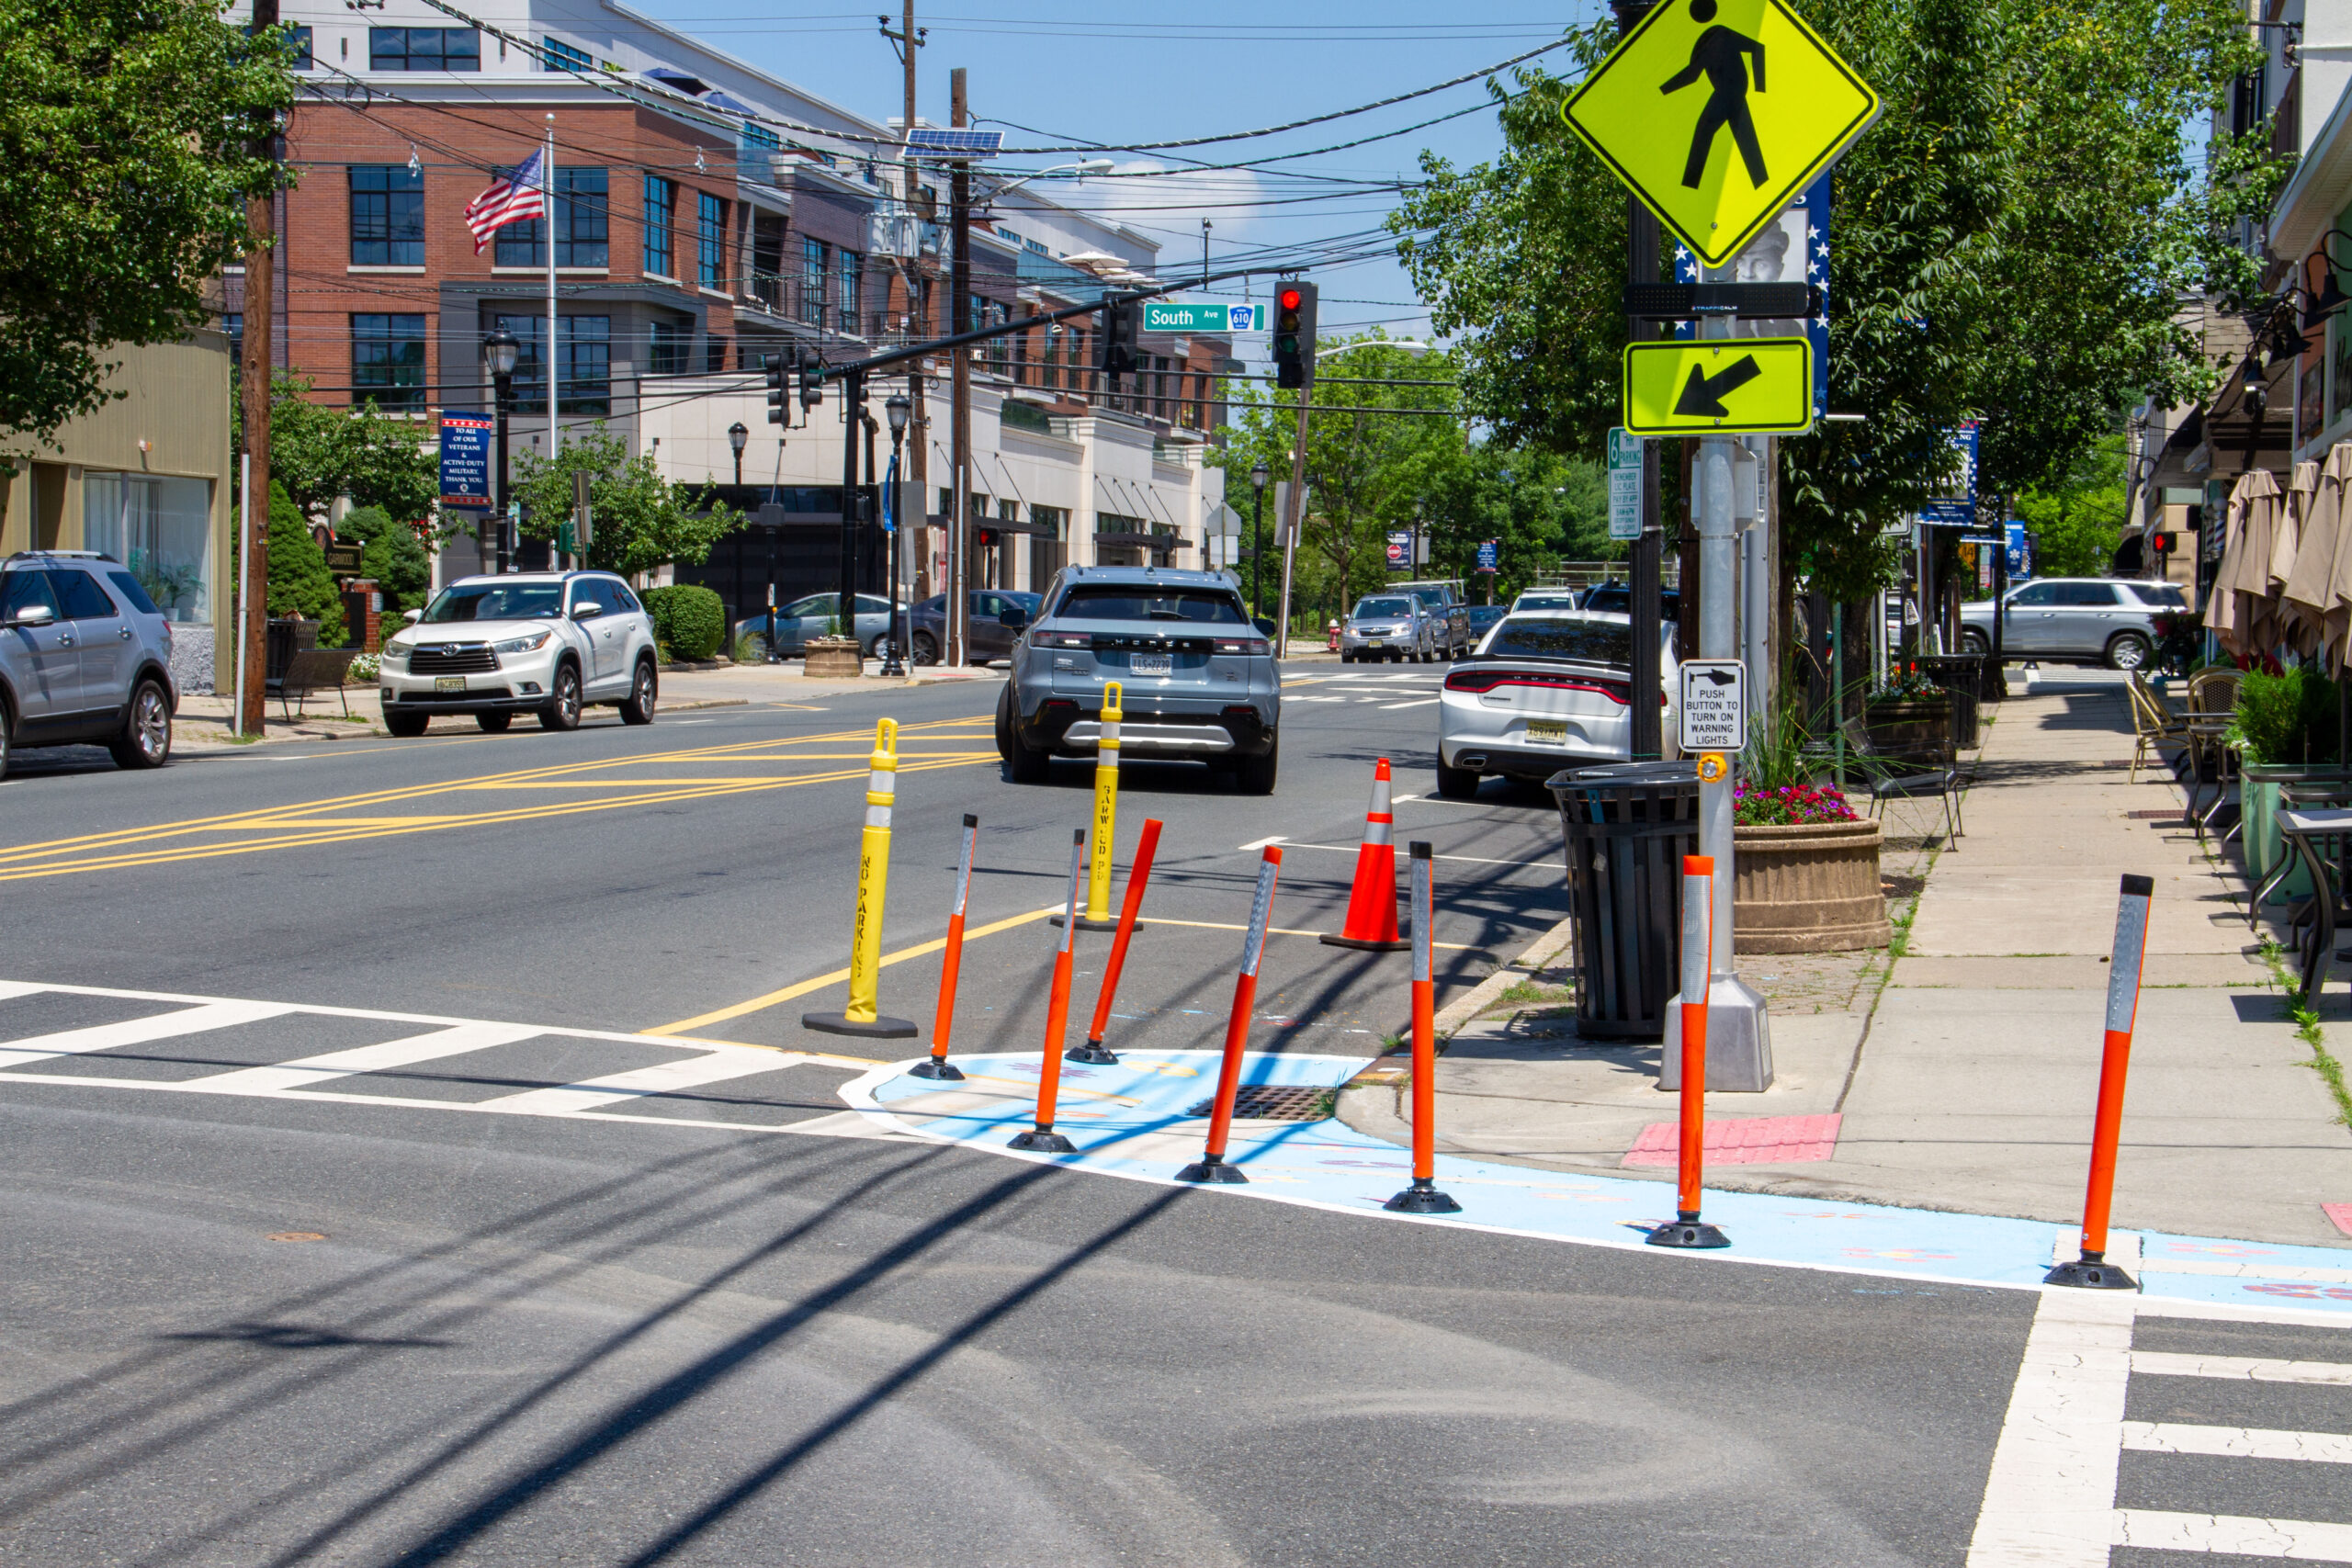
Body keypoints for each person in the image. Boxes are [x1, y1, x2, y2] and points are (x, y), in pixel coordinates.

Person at [1661, 0, 1769, 190]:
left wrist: (1760, 88)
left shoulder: (1720, 35)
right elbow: (1692, 75)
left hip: (1730, 92)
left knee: (1704, 130)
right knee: (1744, 139)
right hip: (1729, 93)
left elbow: (1757, 49)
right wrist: (1663, 90)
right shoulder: (1706, 41)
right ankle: (1761, 183)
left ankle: (1690, 184)